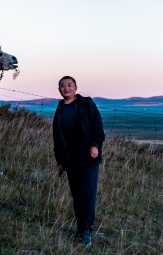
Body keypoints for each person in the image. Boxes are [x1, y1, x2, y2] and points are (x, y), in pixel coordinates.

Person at [53, 76, 105, 246]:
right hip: (71, 161)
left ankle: (87, 232)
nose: (66, 88)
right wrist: (60, 162)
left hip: (88, 159)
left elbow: (97, 127)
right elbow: (57, 139)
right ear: (59, 89)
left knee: (87, 196)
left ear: (76, 87)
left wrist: (95, 145)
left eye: (69, 85)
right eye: (62, 86)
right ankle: (81, 228)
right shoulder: (60, 109)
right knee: (77, 197)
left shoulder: (86, 104)